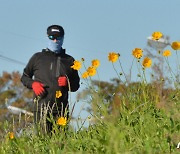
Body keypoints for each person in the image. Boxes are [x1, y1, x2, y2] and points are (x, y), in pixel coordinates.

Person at [21, 25, 80, 133]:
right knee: (43, 143)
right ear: (47, 37)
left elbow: (76, 85)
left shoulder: (70, 60)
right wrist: (33, 84)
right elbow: (24, 77)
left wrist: (68, 83)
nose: (55, 40)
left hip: (61, 110)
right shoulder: (37, 58)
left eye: (58, 37)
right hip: (41, 109)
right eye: (52, 37)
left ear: (63, 38)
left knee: (60, 144)